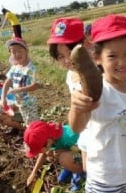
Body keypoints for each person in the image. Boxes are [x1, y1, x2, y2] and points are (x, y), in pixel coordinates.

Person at [68, 14, 126, 193]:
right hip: (105, 178)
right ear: (97, 58)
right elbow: (77, 127)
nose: (122, 62)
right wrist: (76, 108)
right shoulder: (97, 91)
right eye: (112, 56)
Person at [47, 17, 89, 177]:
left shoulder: (96, 74)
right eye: (60, 56)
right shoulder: (70, 76)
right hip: (84, 131)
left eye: (71, 52)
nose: (67, 60)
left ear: (85, 45)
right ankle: (80, 170)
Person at [23, 120, 84, 191]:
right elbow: (43, 154)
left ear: (48, 142)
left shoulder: (70, 136)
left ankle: (80, 174)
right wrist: (33, 173)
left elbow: (87, 151)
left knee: (63, 158)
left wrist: (64, 152)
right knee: (51, 153)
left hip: (87, 157)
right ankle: (72, 167)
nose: (38, 153)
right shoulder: (50, 135)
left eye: (39, 150)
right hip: (74, 153)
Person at [1, 37, 40, 127]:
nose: (17, 54)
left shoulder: (30, 68)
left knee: (33, 124)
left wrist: (18, 90)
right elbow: (7, 82)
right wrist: (3, 98)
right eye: (13, 51)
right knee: (27, 121)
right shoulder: (14, 67)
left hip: (29, 103)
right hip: (20, 102)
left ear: (26, 51)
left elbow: (35, 85)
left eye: (19, 50)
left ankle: (37, 137)